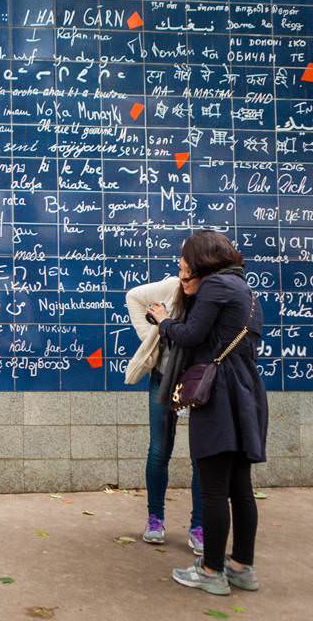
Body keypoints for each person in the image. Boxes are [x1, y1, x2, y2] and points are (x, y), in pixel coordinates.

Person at [146, 231, 267, 596]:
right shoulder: (244, 289)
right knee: (239, 487)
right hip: (246, 391)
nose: (183, 265)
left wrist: (164, 320)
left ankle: (212, 570)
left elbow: (190, 335)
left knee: (214, 488)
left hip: (219, 395)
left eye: (186, 259)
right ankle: (242, 567)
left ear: (201, 258)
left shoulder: (215, 287)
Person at [125, 274, 203, 553]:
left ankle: (199, 526)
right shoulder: (172, 287)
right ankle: (155, 518)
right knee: (159, 450)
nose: (184, 276)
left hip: (200, 384)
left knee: (201, 455)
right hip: (164, 377)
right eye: (182, 268)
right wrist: (151, 340)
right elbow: (133, 296)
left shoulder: (214, 296)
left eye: (189, 270)